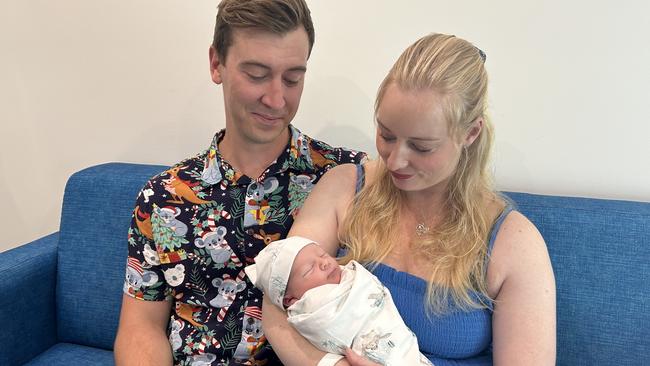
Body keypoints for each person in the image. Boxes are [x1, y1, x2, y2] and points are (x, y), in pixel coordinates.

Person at [262, 33, 557, 365]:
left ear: (470, 134)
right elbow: (275, 308)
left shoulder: (512, 243)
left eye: (421, 146)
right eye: (386, 134)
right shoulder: (344, 187)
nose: (395, 160)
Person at [113, 1, 366, 365]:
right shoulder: (163, 197)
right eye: (257, 74)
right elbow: (142, 328)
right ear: (217, 64)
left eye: (293, 78)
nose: (277, 98)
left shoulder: (346, 178)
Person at [245, 236, 432, 366]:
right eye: (310, 270)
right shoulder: (310, 308)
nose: (325, 263)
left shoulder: (351, 275)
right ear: (291, 300)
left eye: (323, 255)